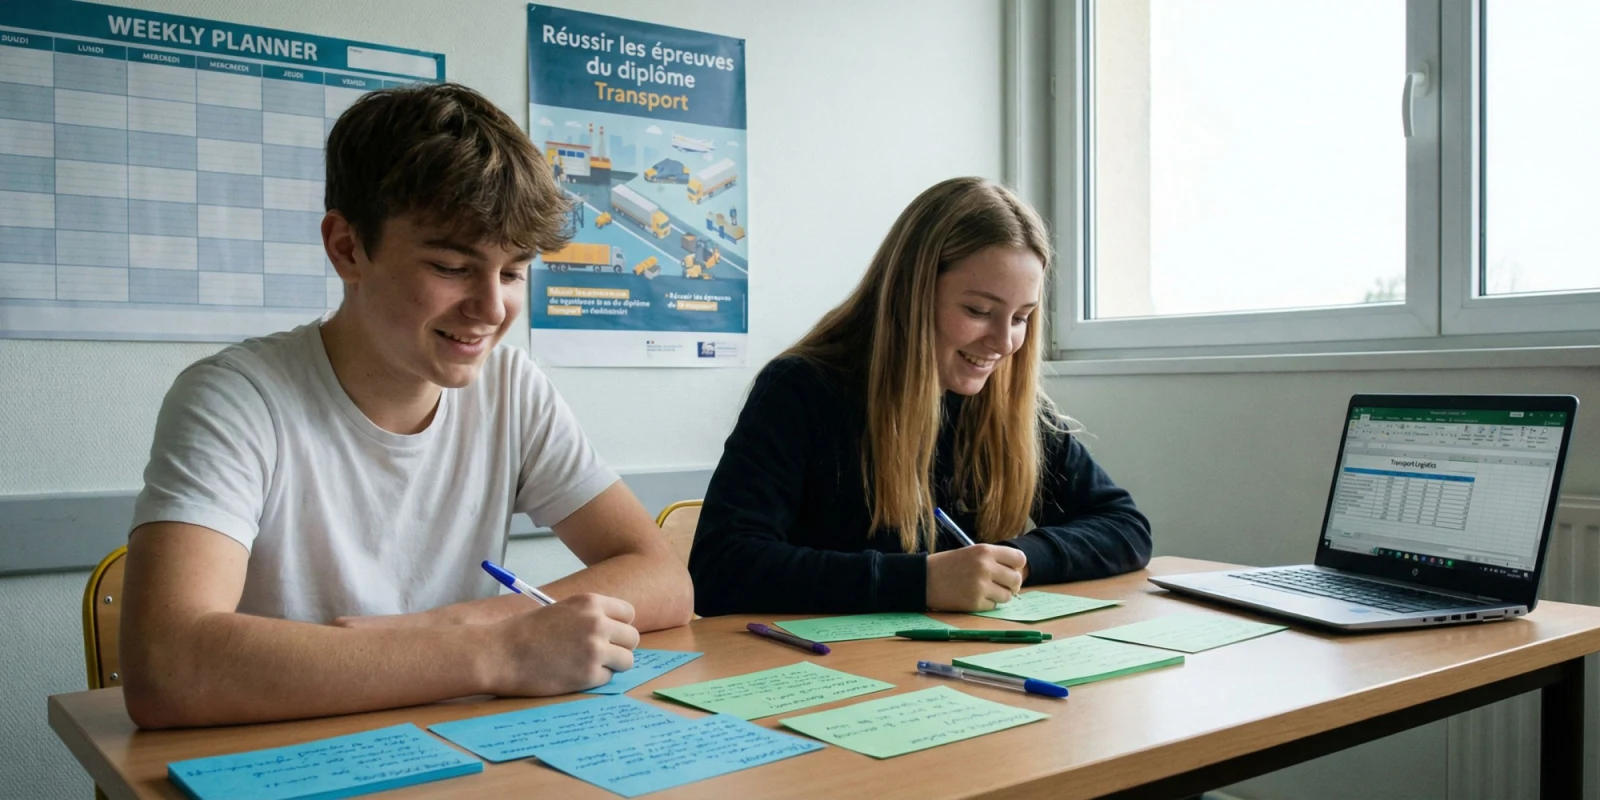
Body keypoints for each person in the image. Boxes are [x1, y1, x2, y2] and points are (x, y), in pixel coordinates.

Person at [119, 83, 692, 729]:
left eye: (511, 273)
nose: (493, 310)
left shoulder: (511, 385)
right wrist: (495, 652)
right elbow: (165, 668)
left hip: (452, 742)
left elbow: (664, 578)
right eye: (451, 266)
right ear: (347, 247)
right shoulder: (236, 397)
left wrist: (460, 623)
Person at [690, 177, 1151, 616]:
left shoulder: (1005, 402)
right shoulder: (801, 390)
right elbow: (721, 568)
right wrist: (920, 581)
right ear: (911, 295)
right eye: (979, 311)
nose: (1005, 342)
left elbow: (1125, 526)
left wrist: (1014, 560)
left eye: (1021, 317)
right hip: (828, 672)